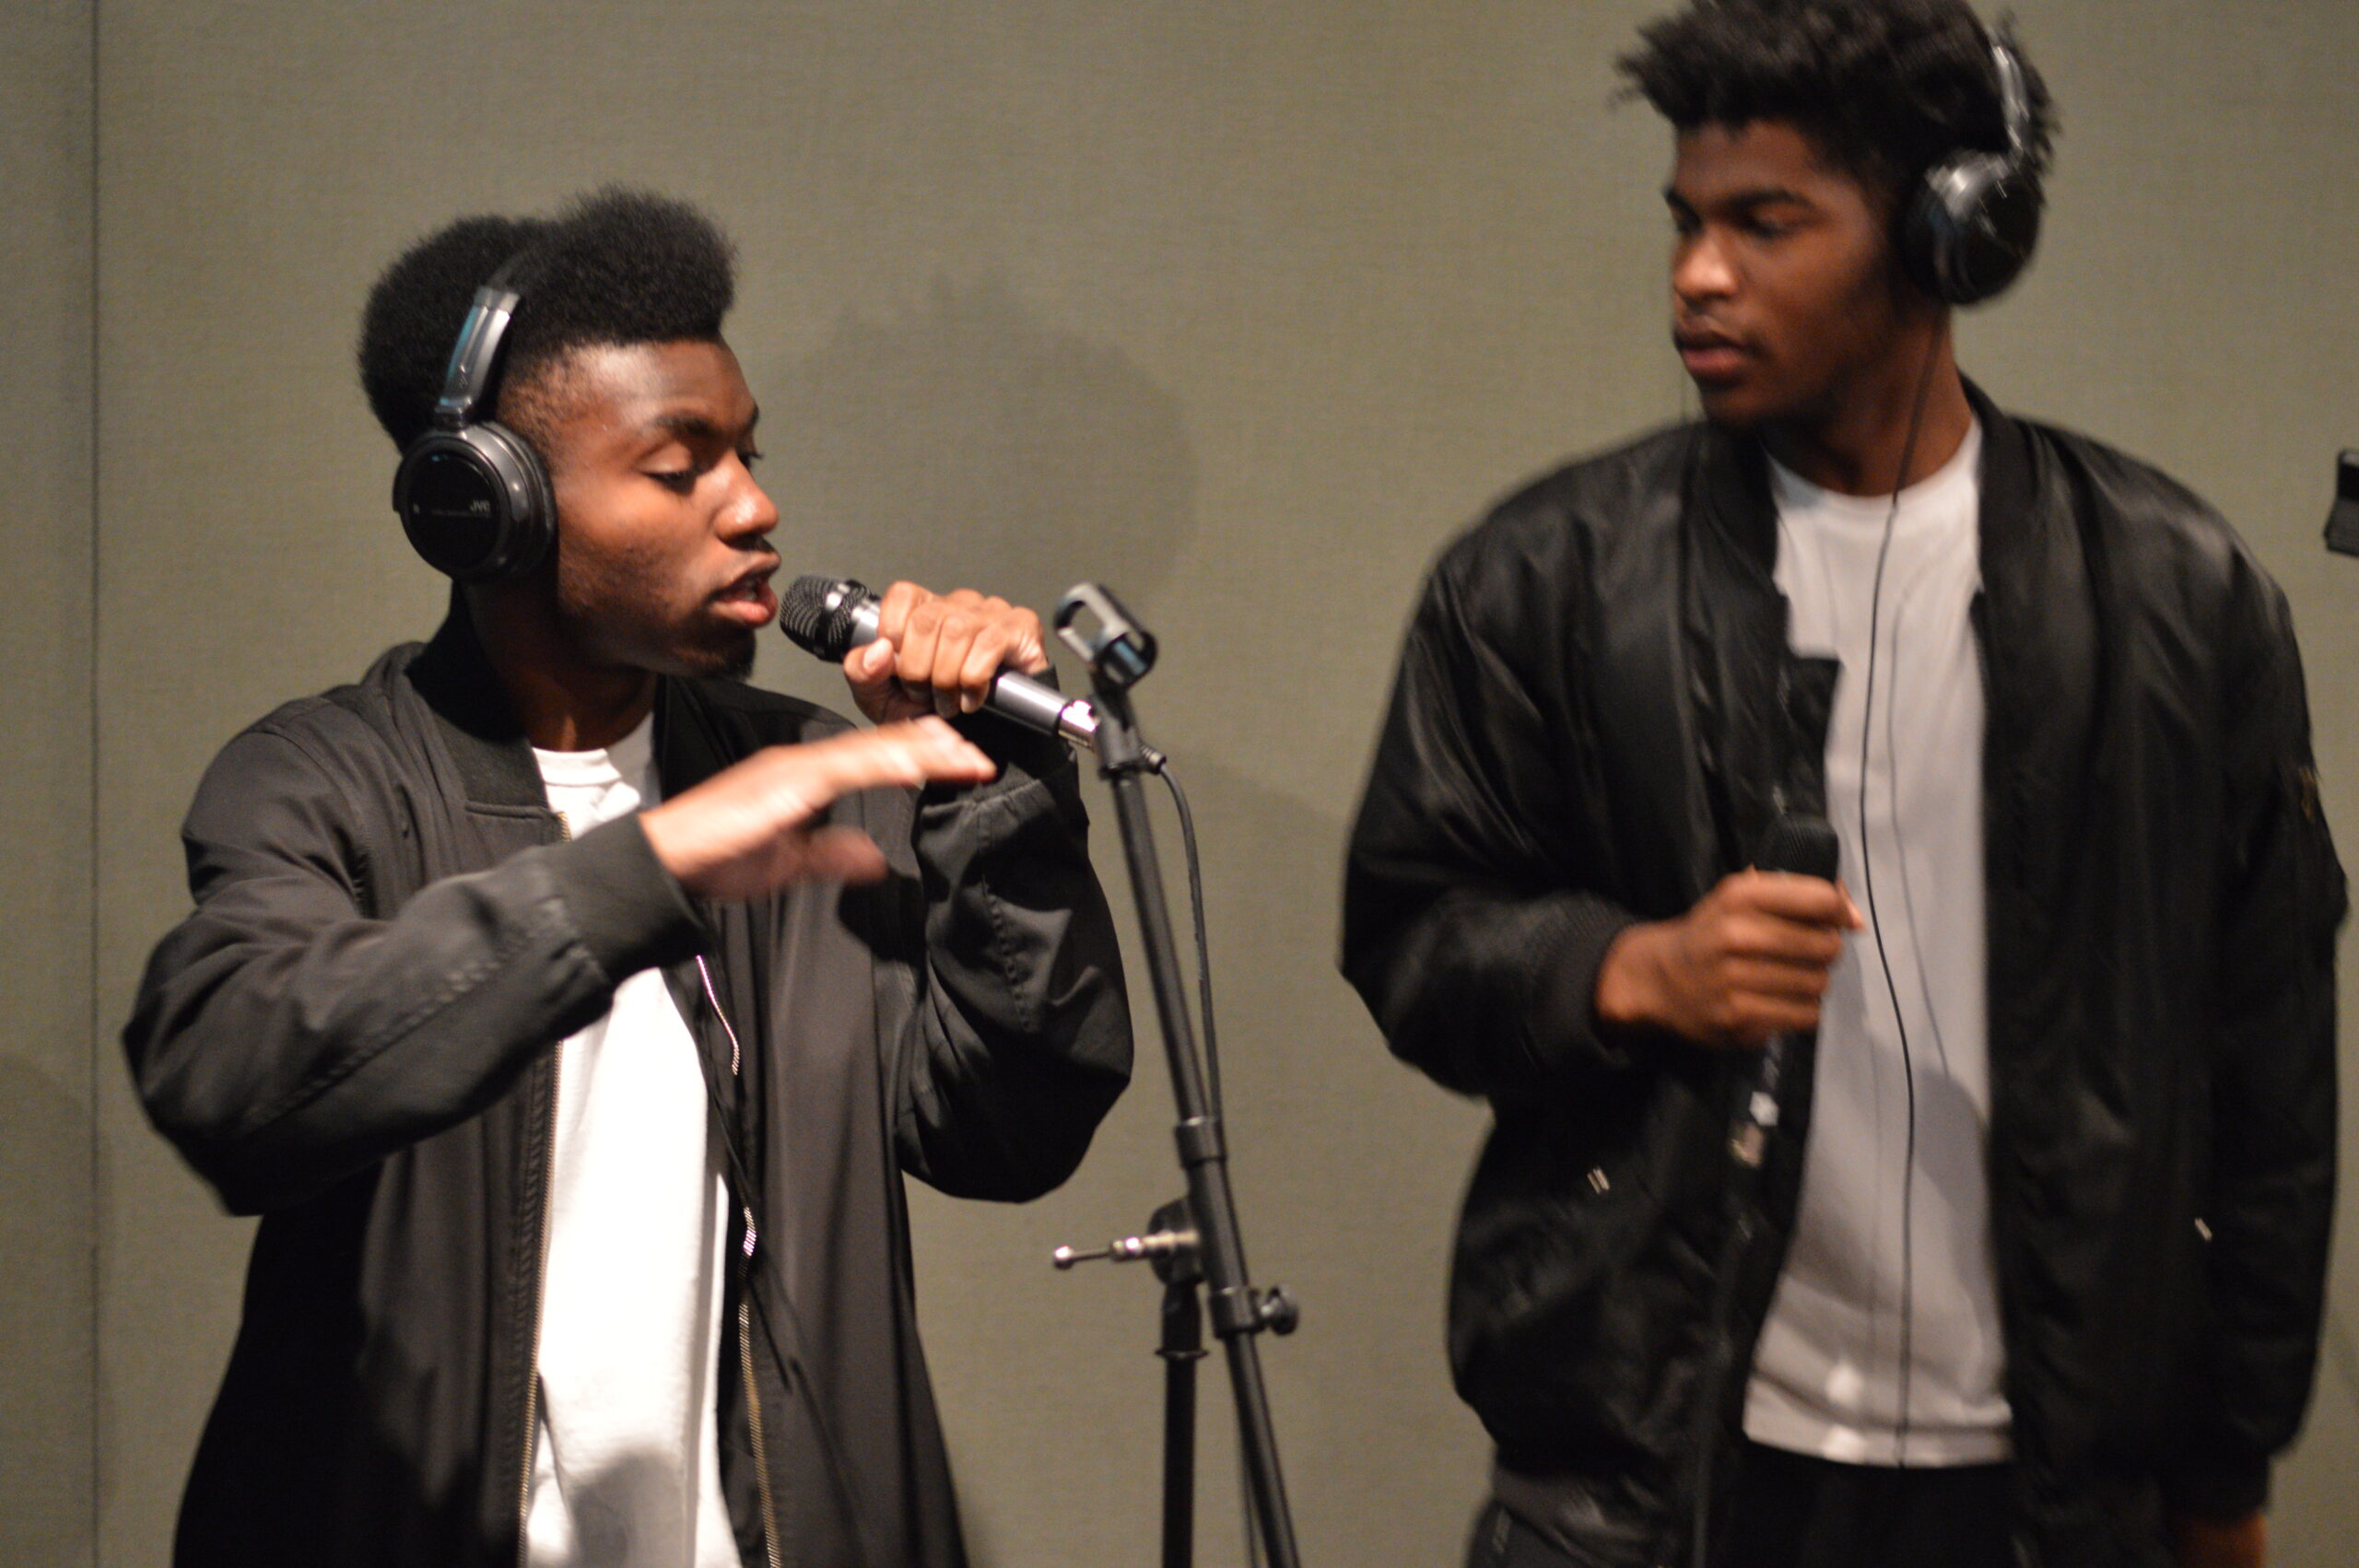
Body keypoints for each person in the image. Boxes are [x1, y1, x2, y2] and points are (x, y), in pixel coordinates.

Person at [1341, 4, 2343, 1566]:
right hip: (1659, 1483)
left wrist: (2227, 1474)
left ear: (1945, 232)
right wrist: (1627, 967)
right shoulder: (1543, 576)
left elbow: (2270, 1074)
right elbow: (1410, 928)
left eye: (1765, 222)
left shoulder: (2179, 600)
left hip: (2058, 1496)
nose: (1698, 274)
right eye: (1685, 221)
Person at [123, 189, 1132, 1568]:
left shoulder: (808, 775)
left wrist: (996, 796)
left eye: (750, 452)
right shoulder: (319, 782)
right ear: (493, 510)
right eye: (682, 467)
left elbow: (1004, 1133)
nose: (756, 506)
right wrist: (644, 866)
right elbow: (230, 1076)